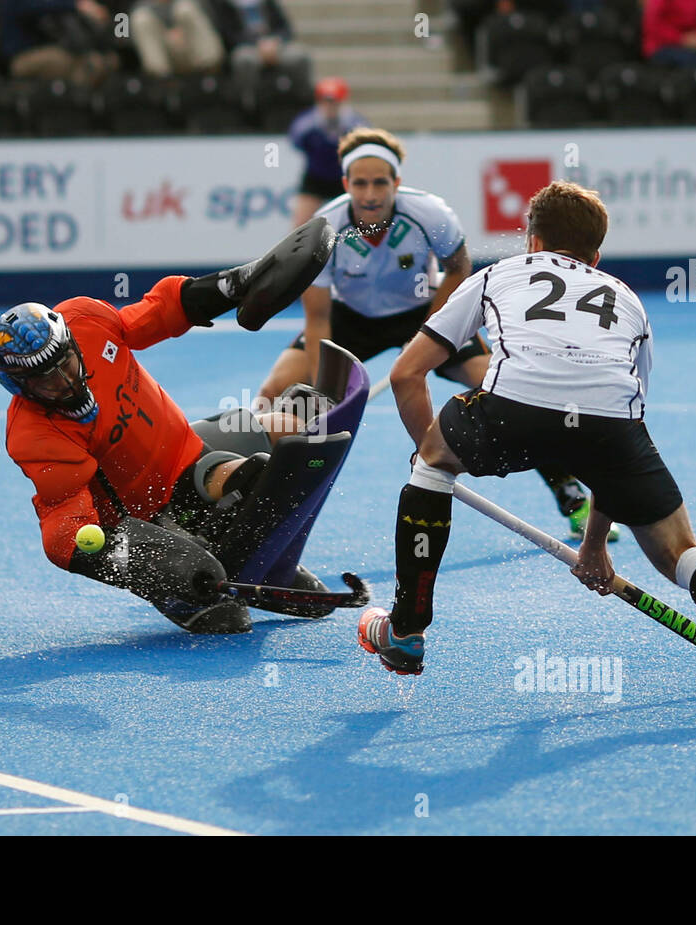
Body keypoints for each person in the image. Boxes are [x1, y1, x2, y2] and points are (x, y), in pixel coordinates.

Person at [356, 180, 696, 713]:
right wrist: (595, 543)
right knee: (680, 551)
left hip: (510, 410)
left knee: (431, 468)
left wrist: (430, 451)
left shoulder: (498, 274)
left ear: (533, 242)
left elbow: (407, 375)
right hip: (611, 429)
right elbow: (615, 428)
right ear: (596, 254)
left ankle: (405, 632)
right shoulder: (628, 301)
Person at [0, 220, 354, 634]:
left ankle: (269, 558)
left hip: (188, 445)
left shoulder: (86, 319)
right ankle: (187, 576)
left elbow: (158, 312)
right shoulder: (34, 437)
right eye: (46, 380)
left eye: (66, 364)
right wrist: (144, 563)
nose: (65, 381)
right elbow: (65, 536)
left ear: (72, 341)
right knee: (223, 615)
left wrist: (238, 282)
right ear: (19, 386)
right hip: (149, 513)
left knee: (295, 429)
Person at [260, 128, 613, 541]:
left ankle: (570, 494)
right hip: (349, 319)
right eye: (360, 183)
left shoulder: (430, 214)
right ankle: (254, 501)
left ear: (397, 184)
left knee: (502, 386)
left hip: (425, 309)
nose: (370, 194)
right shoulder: (324, 230)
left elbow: (458, 268)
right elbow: (318, 319)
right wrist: (323, 392)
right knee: (275, 392)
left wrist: (428, 333)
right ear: (345, 185)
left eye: (379, 183)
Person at [287, 77, 368, 229]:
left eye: (334, 102)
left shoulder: (354, 123)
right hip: (316, 178)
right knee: (300, 225)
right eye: (326, 102)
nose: (330, 106)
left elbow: (365, 143)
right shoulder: (308, 123)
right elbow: (296, 140)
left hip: (344, 179)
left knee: (359, 223)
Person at [0, 0, 120, 87]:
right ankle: (73, 108)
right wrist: (78, 4)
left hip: (48, 51)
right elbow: (35, 6)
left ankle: (80, 109)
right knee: (68, 60)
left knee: (100, 61)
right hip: (21, 58)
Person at [207, 0, 310, 87]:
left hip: (274, 44)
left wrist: (275, 42)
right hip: (246, 46)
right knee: (244, 60)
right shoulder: (224, 4)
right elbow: (229, 35)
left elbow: (286, 29)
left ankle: (301, 99)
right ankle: (248, 102)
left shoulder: (268, 2)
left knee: (299, 56)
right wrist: (258, 44)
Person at [129, 0, 227, 77]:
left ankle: (212, 76)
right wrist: (169, 32)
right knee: (141, 19)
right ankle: (162, 84)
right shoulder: (141, 5)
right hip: (165, 54)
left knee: (185, 9)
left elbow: (214, 22)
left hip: (194, 48)